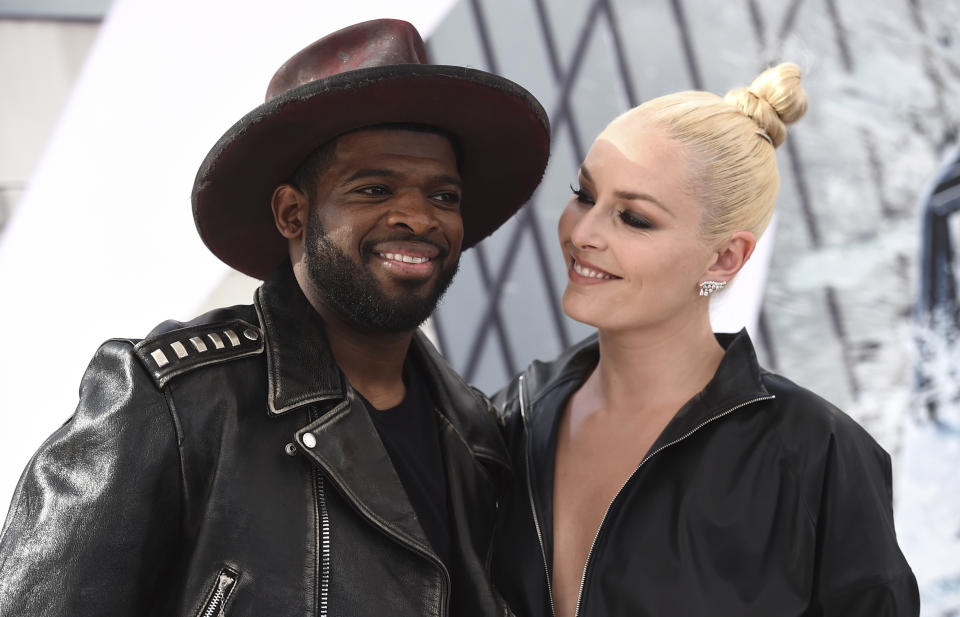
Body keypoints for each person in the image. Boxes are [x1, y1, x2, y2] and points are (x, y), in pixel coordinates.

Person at [0, 19, 549, 617]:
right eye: (373, 189)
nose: (418, 217)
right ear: (292, 213)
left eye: (443, 196)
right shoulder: (175, 399)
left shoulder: (482, 438)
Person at [490, 63, 919, 617]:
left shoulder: (815, 452)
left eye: (634, 218)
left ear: (724, 258)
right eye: (583, 195)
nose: (582, 232)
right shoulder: (516, 417)